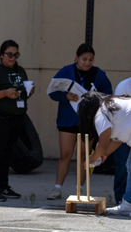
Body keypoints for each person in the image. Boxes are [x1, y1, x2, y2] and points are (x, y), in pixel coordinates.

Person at [47, 44, 112, 200]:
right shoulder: (66, 71)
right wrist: (65, 97)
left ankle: (80, 189)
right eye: (84, 59)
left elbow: (108, 94)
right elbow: (53, 92)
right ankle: (57, 188)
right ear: (76, 58)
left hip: (88, 121)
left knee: (84, 155)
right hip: (68, 119)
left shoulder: (99, 74)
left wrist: (95, 99)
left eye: (90, 59)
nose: (87, 63)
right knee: (65, 154)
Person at [0, 40, 35, 201]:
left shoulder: (20, 71)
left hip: (16, 115)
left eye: (16, 55)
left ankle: (3, 186)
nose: (12, 58)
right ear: (1, 55)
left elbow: (23, 92)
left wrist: (29, 91)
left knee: (8, 152)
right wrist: (4, 93)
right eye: (9, 54)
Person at [78, 92, 131, 215]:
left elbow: (103, 143)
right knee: (130, 166)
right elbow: (118, 140)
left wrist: (91, 159)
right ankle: (128, 204)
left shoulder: (101, 113)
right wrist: (104, 154)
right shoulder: (111, 105)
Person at [111, 78, 131, 204]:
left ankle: (127, 202)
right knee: (124, 165)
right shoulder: (124, 85)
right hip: (125, 130)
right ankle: (121, 199)